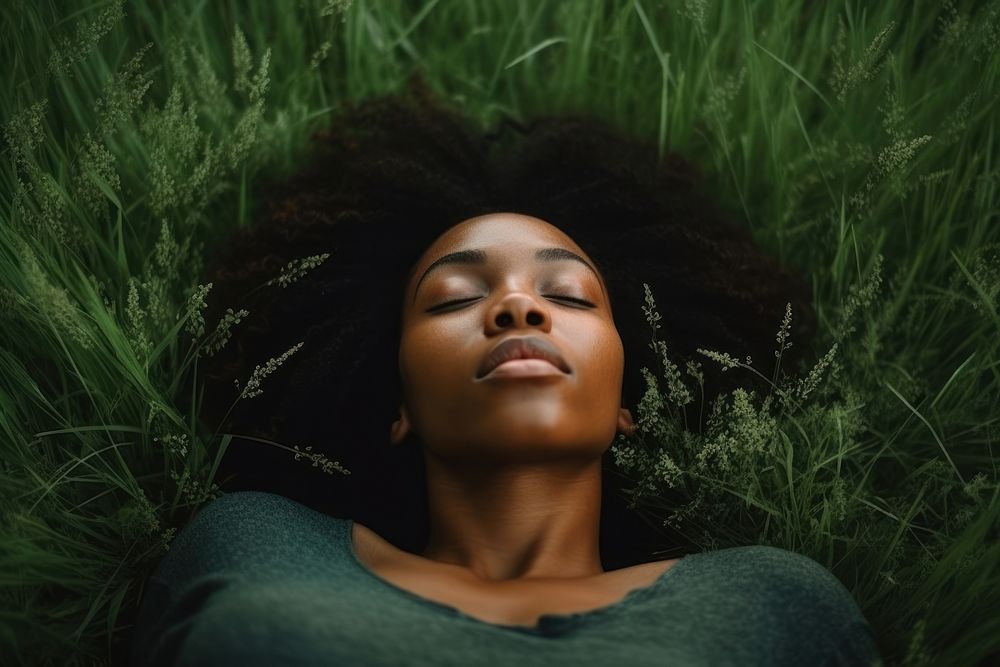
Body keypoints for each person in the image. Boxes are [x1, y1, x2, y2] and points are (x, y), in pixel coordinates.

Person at [130, 77, 881, 665]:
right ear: (399, 401)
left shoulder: (776, 600)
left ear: (629, 402)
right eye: (454, 297)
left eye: (568, 295)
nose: (518, 306)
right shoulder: (255, 541)